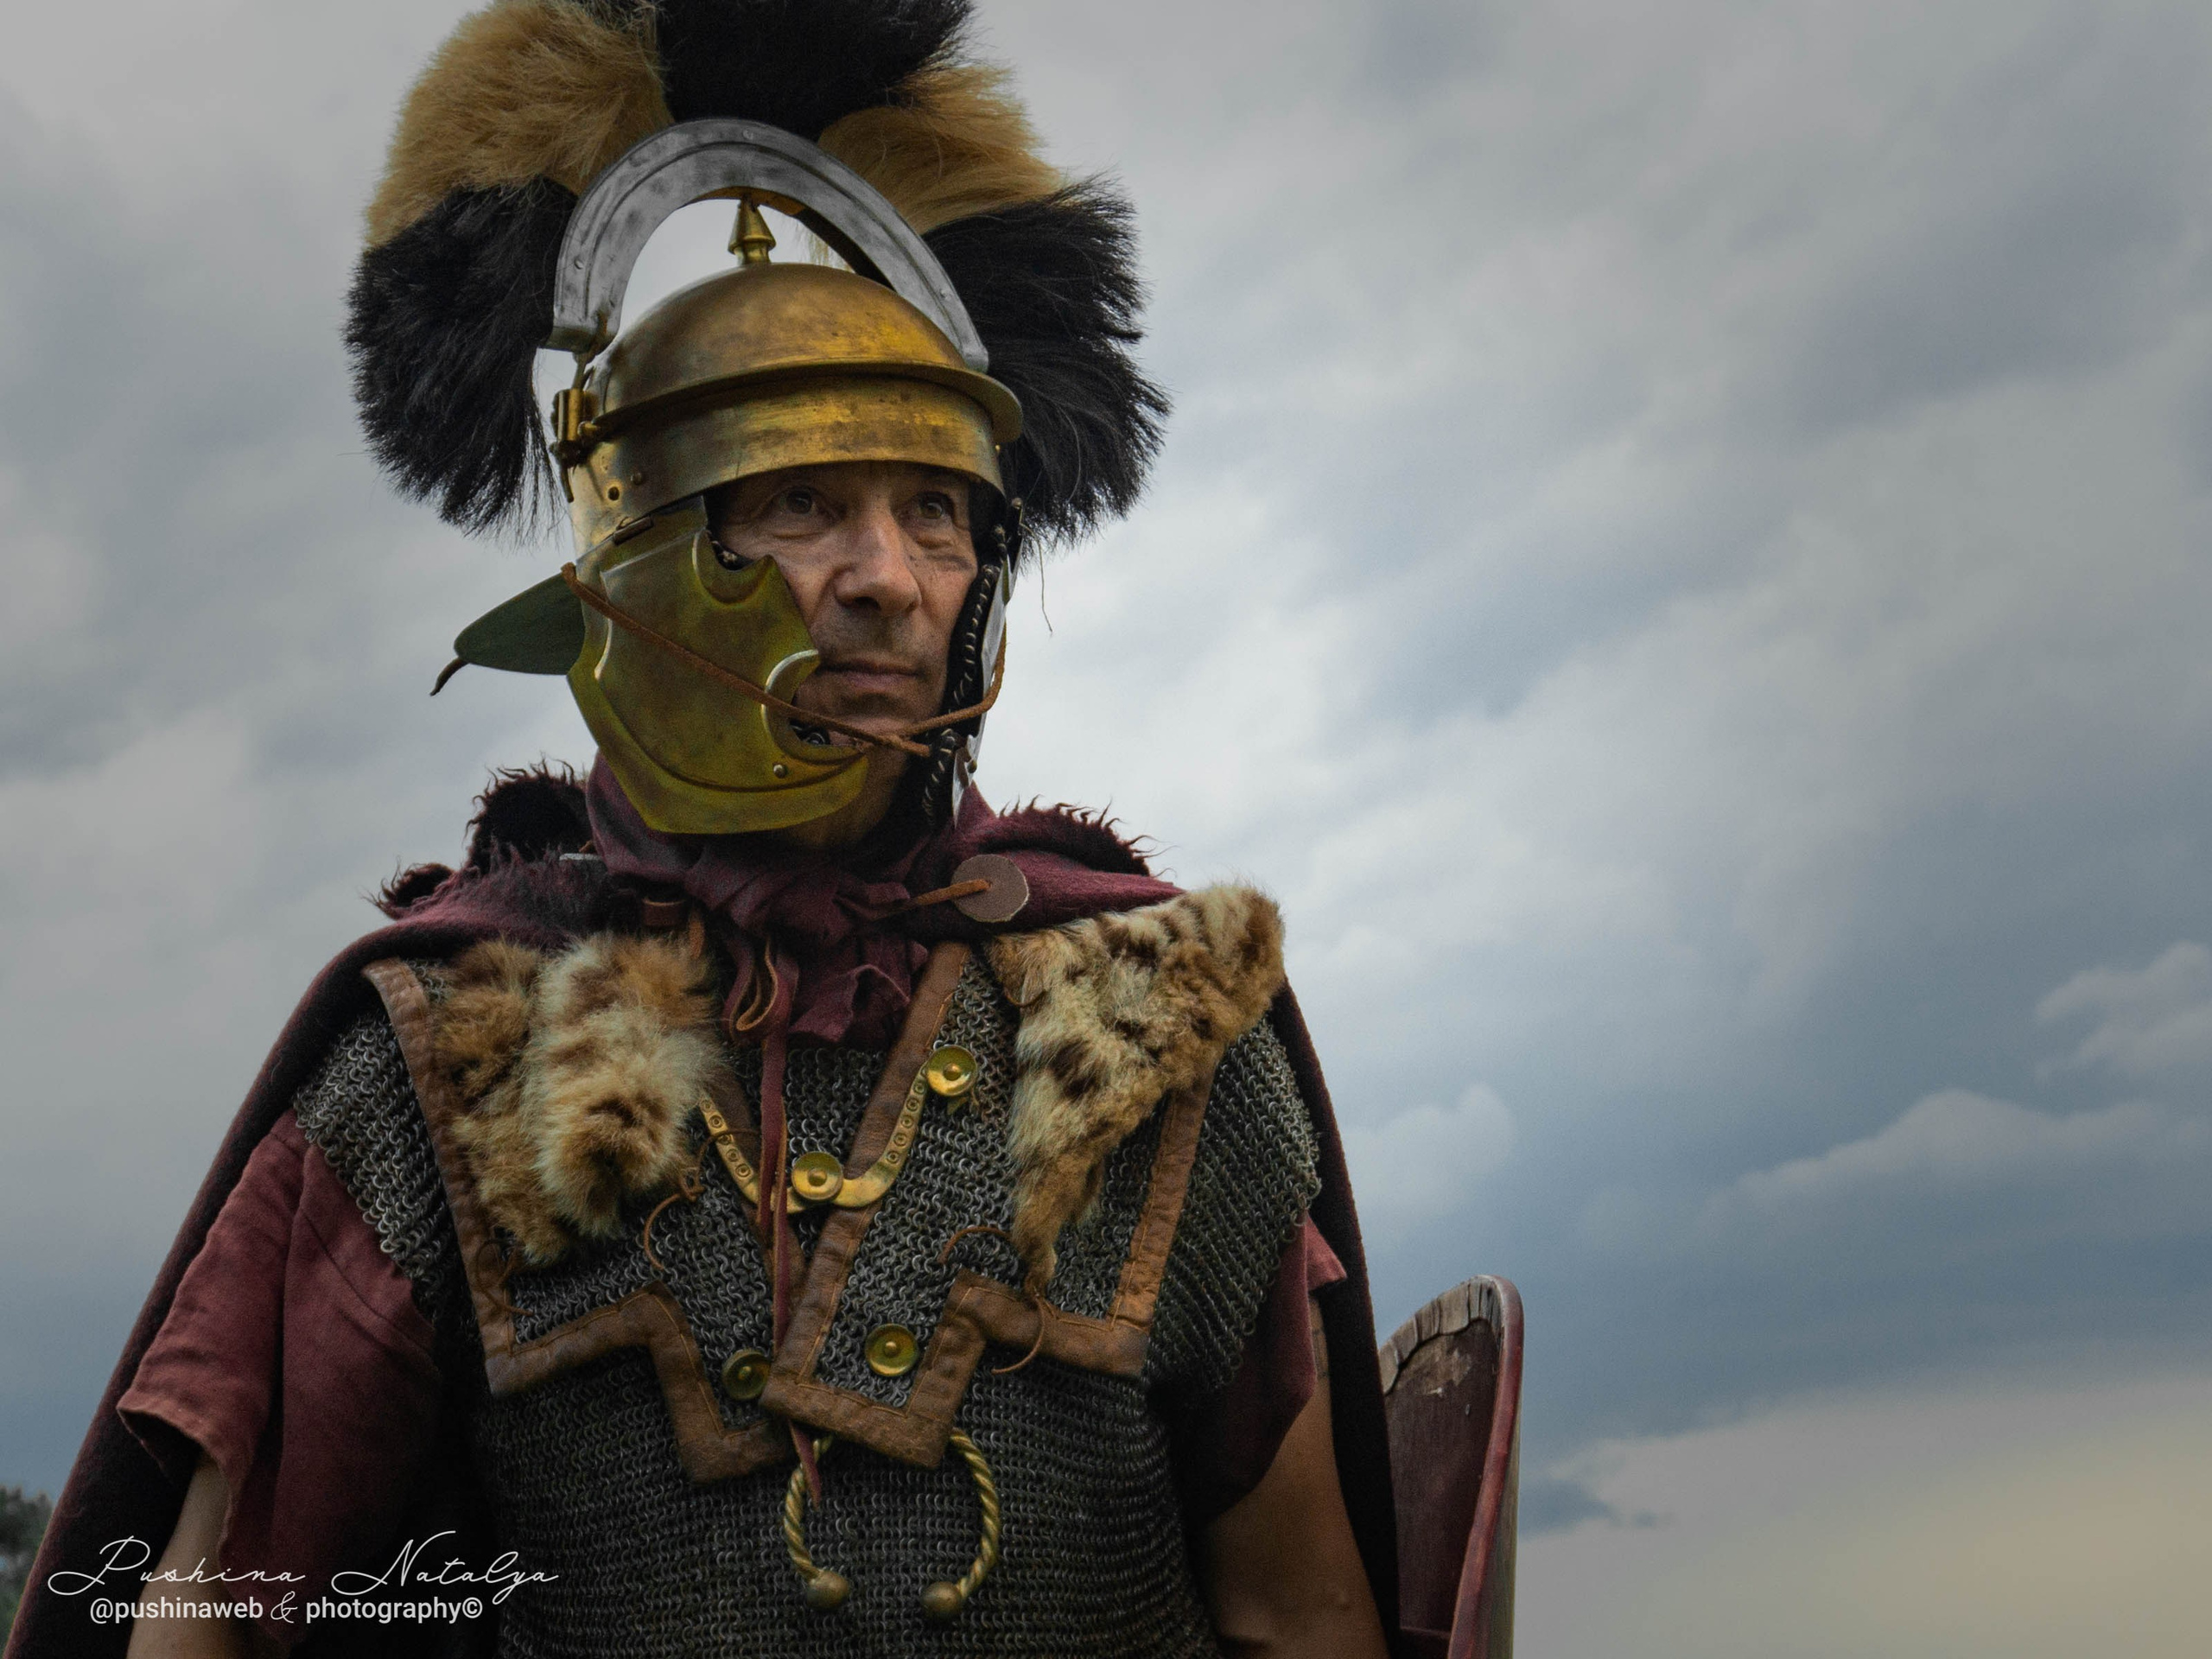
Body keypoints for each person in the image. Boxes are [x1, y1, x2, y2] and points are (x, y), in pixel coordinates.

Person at [10, 3, 1402, 1655]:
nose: (887, 576)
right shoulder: (458, 1050)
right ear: (643, 555)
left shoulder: (1153, 1029)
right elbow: (213, 1631)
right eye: (804, 500)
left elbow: (1305, 1621)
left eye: (937, 510)